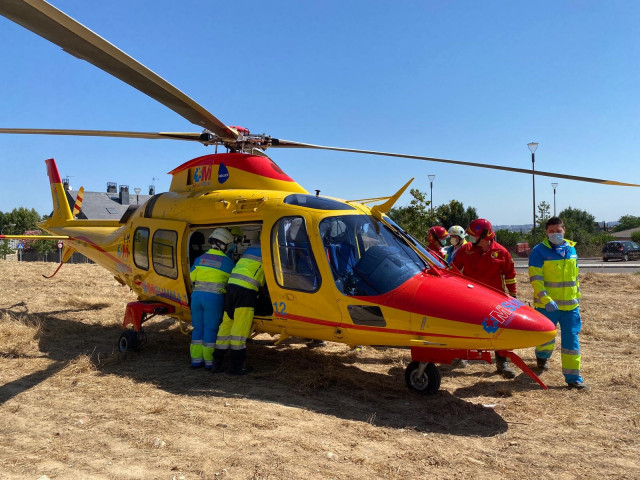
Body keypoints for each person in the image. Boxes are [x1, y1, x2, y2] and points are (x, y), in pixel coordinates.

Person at [453, 218, 518, 379]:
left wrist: (513, 295)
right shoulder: (466, 250)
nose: (471, 239)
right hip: (470, 298)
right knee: (465, 327)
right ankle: (461, 356)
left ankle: (502, 363)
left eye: (474, 236)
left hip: (495, 300)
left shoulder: (502, 252)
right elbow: (453, 270)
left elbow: (510, 275)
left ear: (484, 235)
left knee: (499, 331)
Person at [529, 217, 588, 390]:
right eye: (551, 231)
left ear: (564, 230)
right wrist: (546, 299)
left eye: (558, 230)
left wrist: (577, 298)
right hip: (548, 306)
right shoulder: (538, 252)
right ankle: (542, 356)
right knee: (546, 339)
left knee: (572, 342)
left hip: (570, 307)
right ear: (546, 233)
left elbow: (575, 278)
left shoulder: (571, 249)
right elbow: (536, 279)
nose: (555, 234)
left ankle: (573, 378)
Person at [212, 243, 265, 375]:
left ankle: (216, 364)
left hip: (231, 287)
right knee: (239, 331)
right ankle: (236, 368)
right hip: (246, 292)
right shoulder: (271, 251)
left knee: (226, 325)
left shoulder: (250, 250)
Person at [189, 228, 235, 369]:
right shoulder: (228, 263)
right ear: (224, 245)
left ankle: (196, 360)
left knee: (198, 328)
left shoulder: (199, 259)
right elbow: (232, 284)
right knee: (210, 329)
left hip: (196, 297)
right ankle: (209, 362)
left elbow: (191, 278)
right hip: (214, 299)